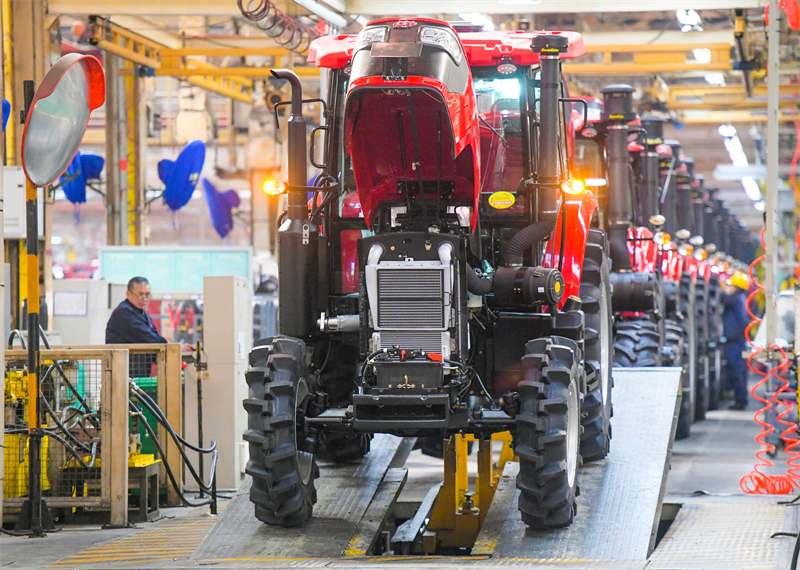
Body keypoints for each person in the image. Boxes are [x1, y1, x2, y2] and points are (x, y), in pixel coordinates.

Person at [106, 276, 193, 376]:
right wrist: (174, 348)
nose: (144, 298)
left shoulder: (142, 315)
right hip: (122, 376)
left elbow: (153, 336)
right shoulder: (123, 313)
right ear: (128, 294)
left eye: (147, 294)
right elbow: (147, 337)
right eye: (140, 294)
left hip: (138, 375)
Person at [722, 271, 750, 411]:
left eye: (731, 285)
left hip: (735, 342)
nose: (729, 288)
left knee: (737, 371)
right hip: (736, 341)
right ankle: (740, 399)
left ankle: (741, 400)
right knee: (737, 371)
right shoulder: (740, 299)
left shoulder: (734, 300)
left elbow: (722, 298)